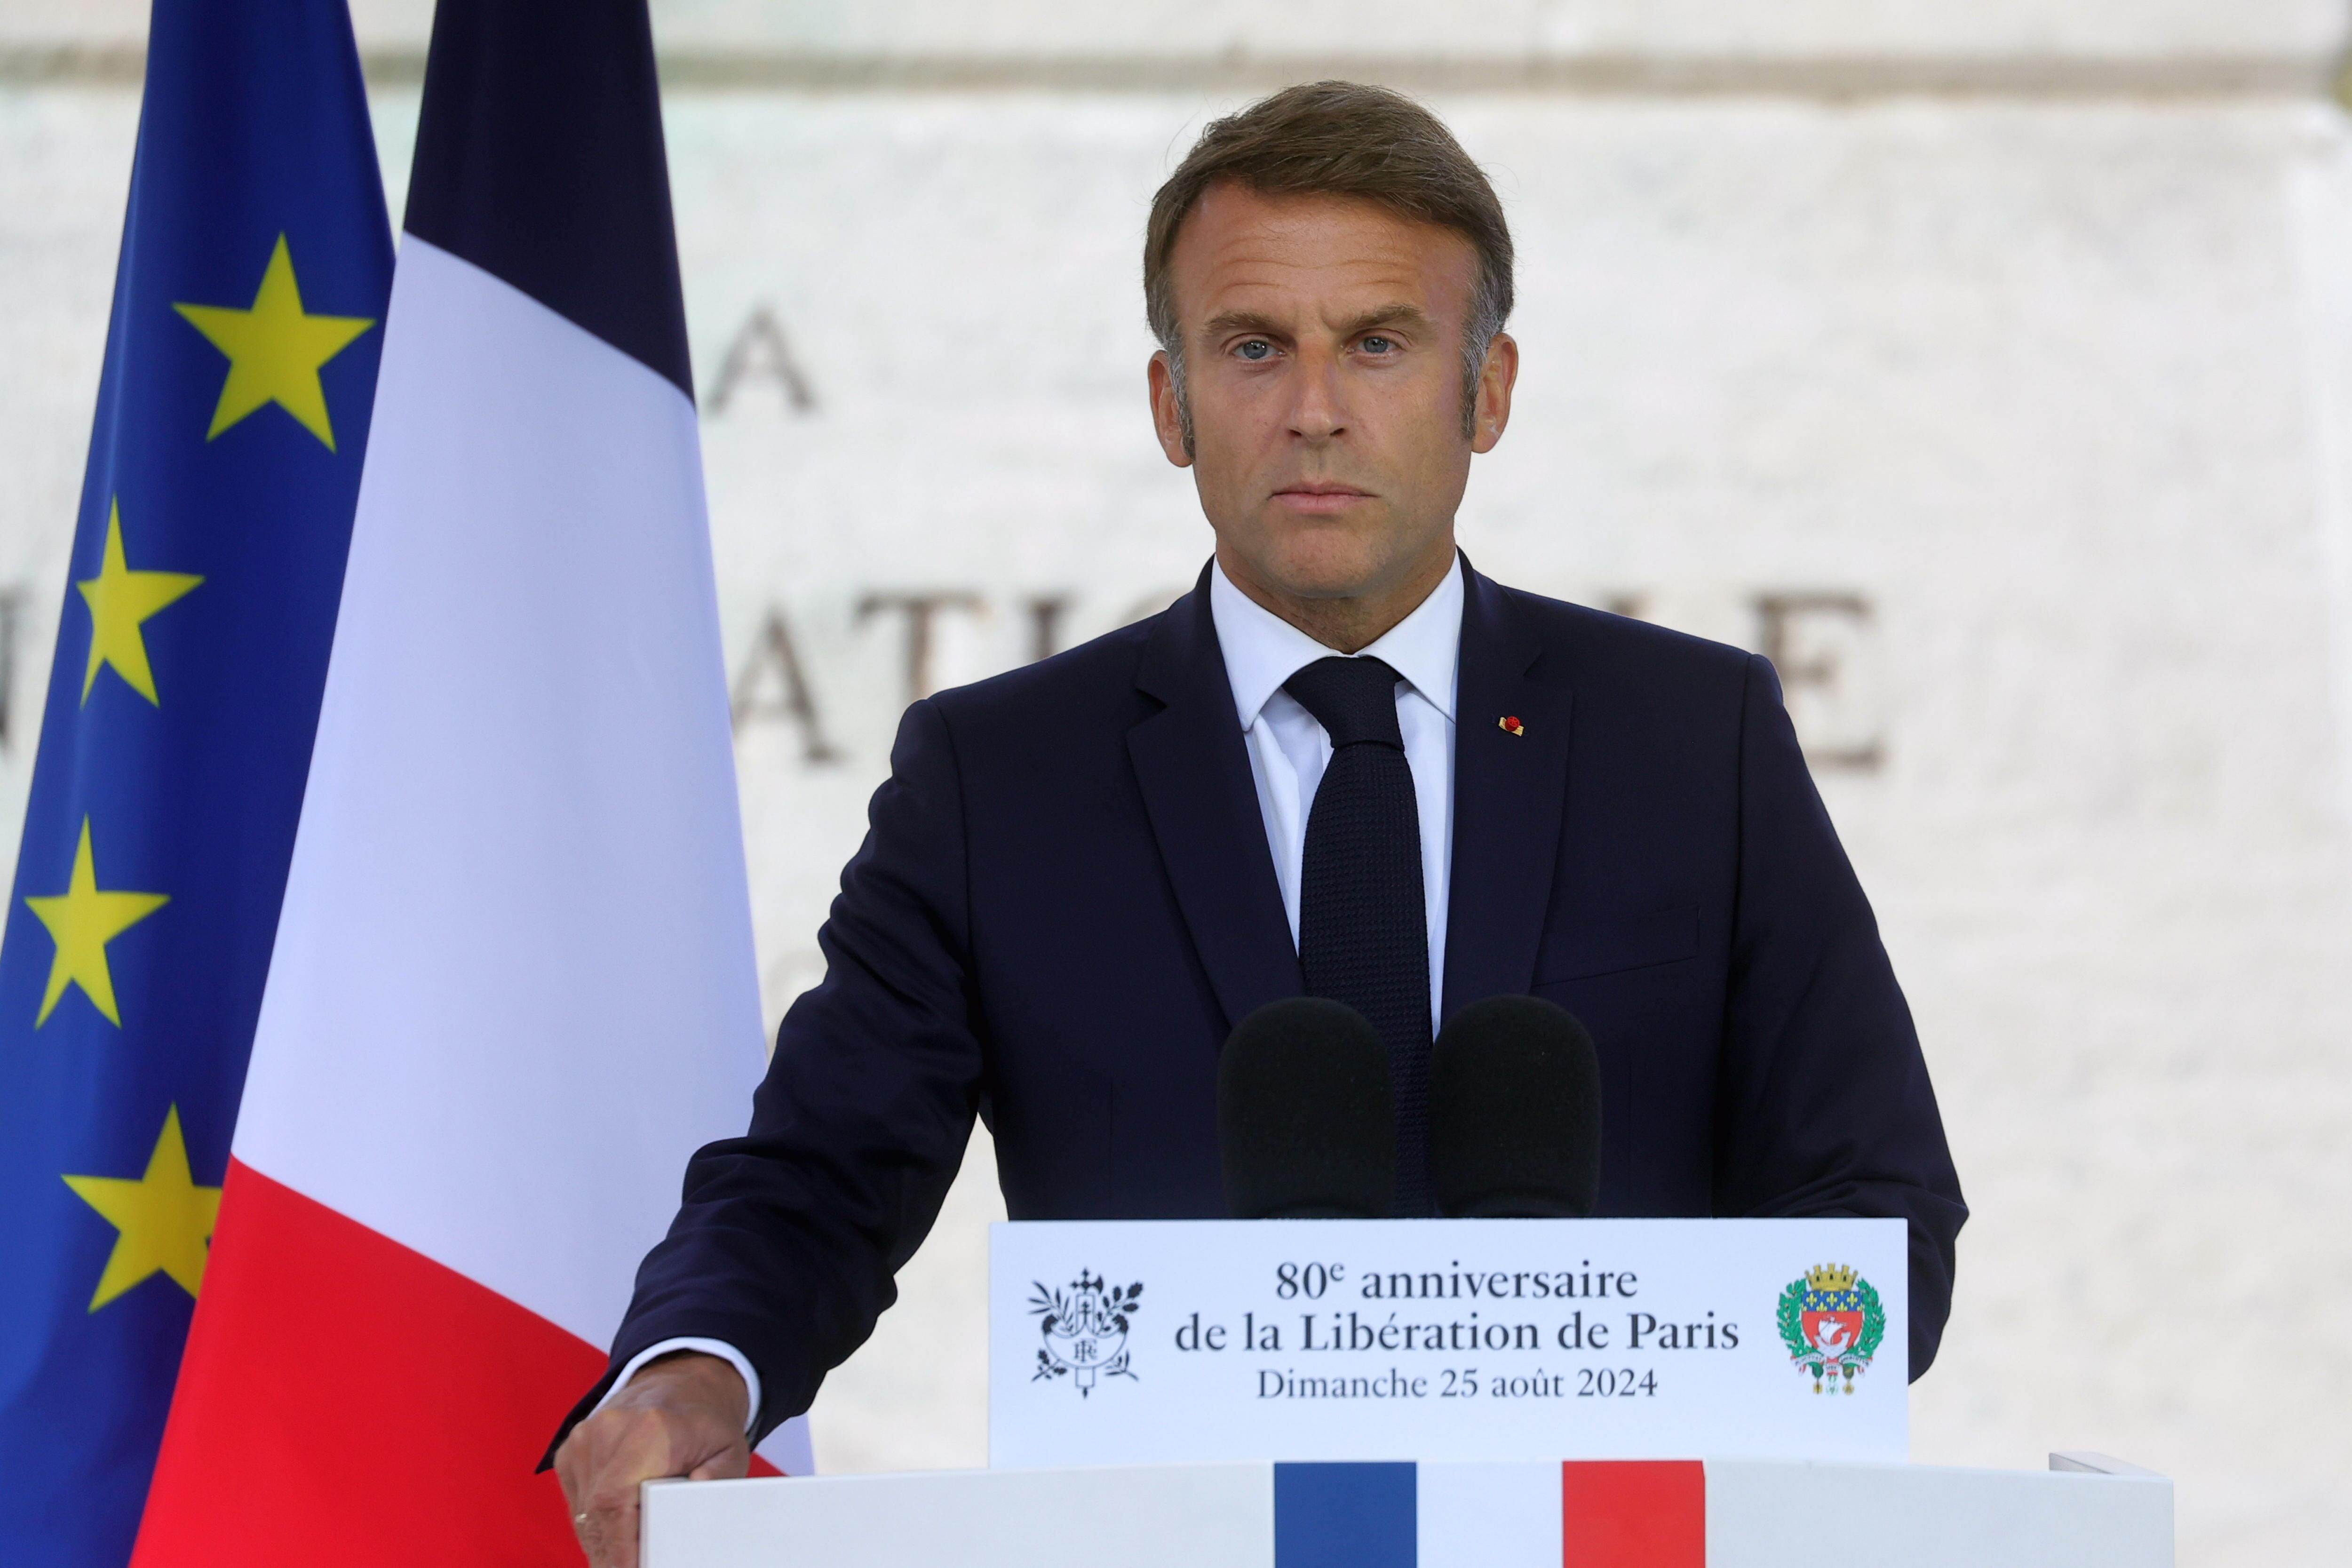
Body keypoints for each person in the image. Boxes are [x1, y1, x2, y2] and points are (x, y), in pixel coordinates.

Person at [552, 80, 1966, 1566]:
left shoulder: (1694, 742)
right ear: (1171, 405)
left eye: (1379, 342)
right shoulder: (998, 778)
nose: (1314, 408)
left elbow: (1876, 1214)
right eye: (1251, 347)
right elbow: (819, 1182)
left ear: (1487, 394)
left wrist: (1695, 1421)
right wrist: (695, 1370)